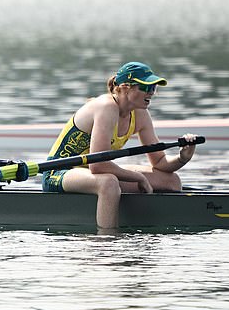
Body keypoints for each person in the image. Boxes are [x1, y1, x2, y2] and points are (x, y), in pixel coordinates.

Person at [42, 61, 198, 231]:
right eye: (146, 88)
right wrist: (138, 178)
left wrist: (183, 157)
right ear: (125, 87)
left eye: (154, 88)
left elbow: (160, 162)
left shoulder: (140, 114)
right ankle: (107, 241)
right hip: (59, 172)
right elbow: (98, 166)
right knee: (109, 182)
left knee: (171, 181)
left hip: (89, 171)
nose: (151, 93)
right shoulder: (106, 107)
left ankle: (150, 226)